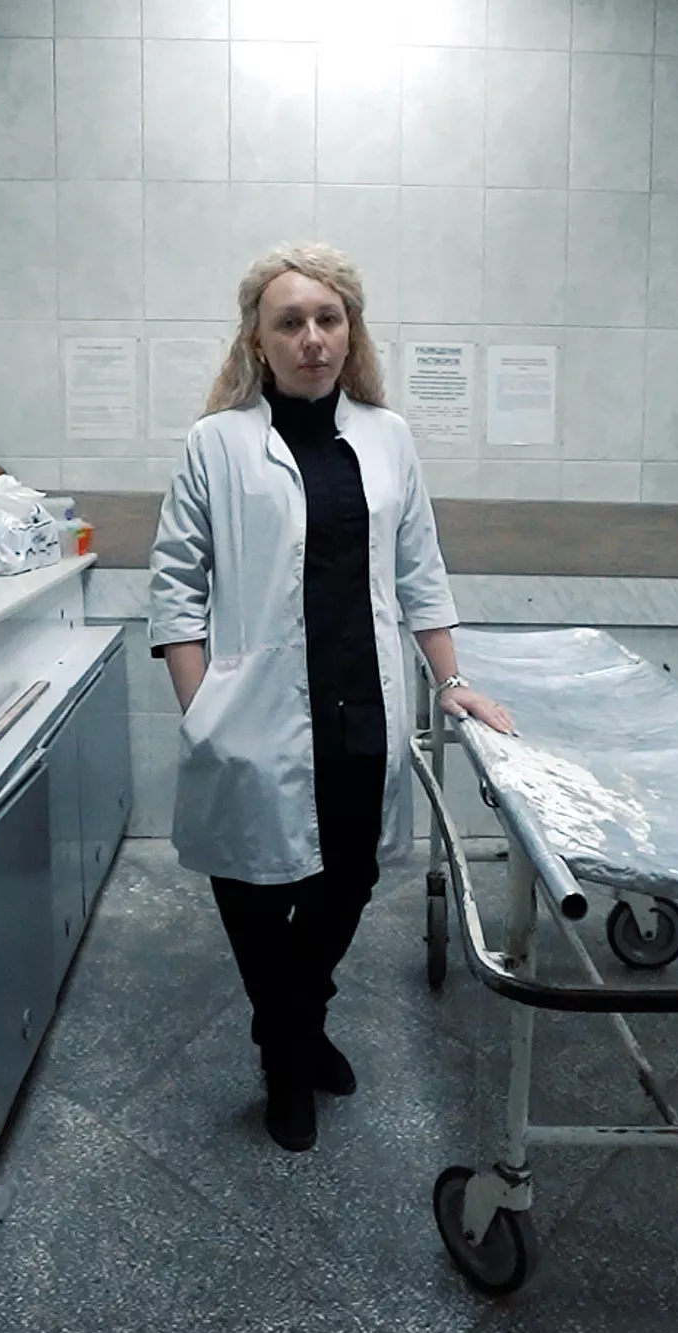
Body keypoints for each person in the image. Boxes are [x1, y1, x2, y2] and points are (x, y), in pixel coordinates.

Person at [148, 243, 514, 1153]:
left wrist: (452, 680)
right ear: (258, 340)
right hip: (253, 712)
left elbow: (421, 570)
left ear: (351, 332)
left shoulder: (387, 438)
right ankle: (290, 1058)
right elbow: (176, 585)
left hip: (362, 707)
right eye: (290, 322)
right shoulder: (217, 443)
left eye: (328, 319)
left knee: (346, 881)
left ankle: (292, 1025)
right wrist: (202, 713)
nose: (312, 338)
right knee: (251, 890)